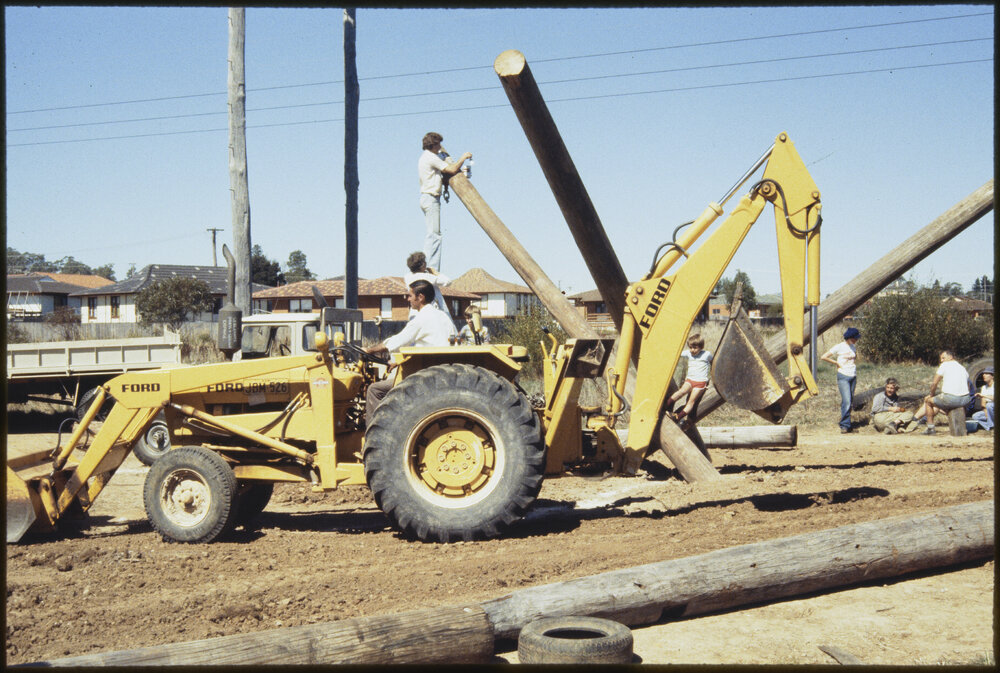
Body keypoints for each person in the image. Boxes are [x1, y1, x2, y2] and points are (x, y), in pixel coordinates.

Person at [363, 279, 456, 426]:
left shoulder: (421, 319)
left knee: (374, 390)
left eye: (410, 296)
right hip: (440, 370)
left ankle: (373, 432)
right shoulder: (443, 317)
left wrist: (369, 350)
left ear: (420, 297)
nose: (408, 299)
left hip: (424, 374)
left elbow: (396, 341)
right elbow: (430, 347)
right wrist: (398, 362)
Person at [417, 132, 472, 273]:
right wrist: (463, 157)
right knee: (434, 235)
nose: (440, 146)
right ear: (433, 145)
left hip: (427, 197)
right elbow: (451, 168)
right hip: (431, 198)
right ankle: (431, 267)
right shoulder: (430, 158)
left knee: (432, 233)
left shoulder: (426, 157)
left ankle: (428, 266)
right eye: (438, 144)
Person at [907, 351, 971, 436]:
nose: (941, 360)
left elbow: (934, 383)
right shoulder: (962, 368)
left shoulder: (945, 365)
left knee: (928, 401)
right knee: (940, 401)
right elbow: (968, 385)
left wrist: (931, 394)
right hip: (965, 399)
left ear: (950, 357)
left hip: (951, 399)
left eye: (943, 358)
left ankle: (930, 428)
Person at [667, 333, 713, 425]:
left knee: (691, 401)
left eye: (695, 348)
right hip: (690, 380)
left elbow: (714, 363)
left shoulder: (706, 354)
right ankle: (666, 407)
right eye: (690, 347)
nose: (692, 350)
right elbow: (677, 353)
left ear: (701, 346)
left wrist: (710, 380)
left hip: (700, 383)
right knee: (680, 392)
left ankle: (678, 417)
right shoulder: (688, 353)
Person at [821, 327, 860, 433]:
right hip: (843, 376)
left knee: (850, 401)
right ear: (849, 338)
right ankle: (844, 425)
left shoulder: (853, 347)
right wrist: (836, 363)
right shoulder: (839, 346)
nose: (856, 340)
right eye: (854, 338)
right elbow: (823, 357)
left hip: (853, 375)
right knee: (847, 401)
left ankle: (848, 425)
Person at [403, 251, 451, 319]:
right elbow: (448, 282)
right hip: (428, 312)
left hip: (414, 311)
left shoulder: (407, 277)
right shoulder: (428, 277)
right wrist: (435, 273)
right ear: (422, 265)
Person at [971, 366, 994, 431]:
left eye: (987, 373)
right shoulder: (984, 387)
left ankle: (991, 425)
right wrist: (987, 415)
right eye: (983, 373)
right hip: (989, 410)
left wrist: (984, 396)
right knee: (975, 416)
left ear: (992, 376)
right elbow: (983, 404)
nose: (984, 375)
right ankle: (989, 427)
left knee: (989, 405)